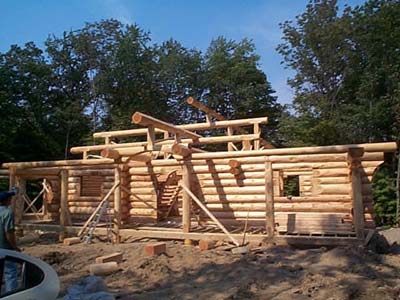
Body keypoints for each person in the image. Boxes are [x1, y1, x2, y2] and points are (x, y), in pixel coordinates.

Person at [0, 188, 21, 293]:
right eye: (10, 198)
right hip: (5, 248)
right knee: (10, 273)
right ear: (6, 201)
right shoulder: (7, 213)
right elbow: (9, 233)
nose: (11, 199)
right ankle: (11, 295)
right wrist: (15, 247)